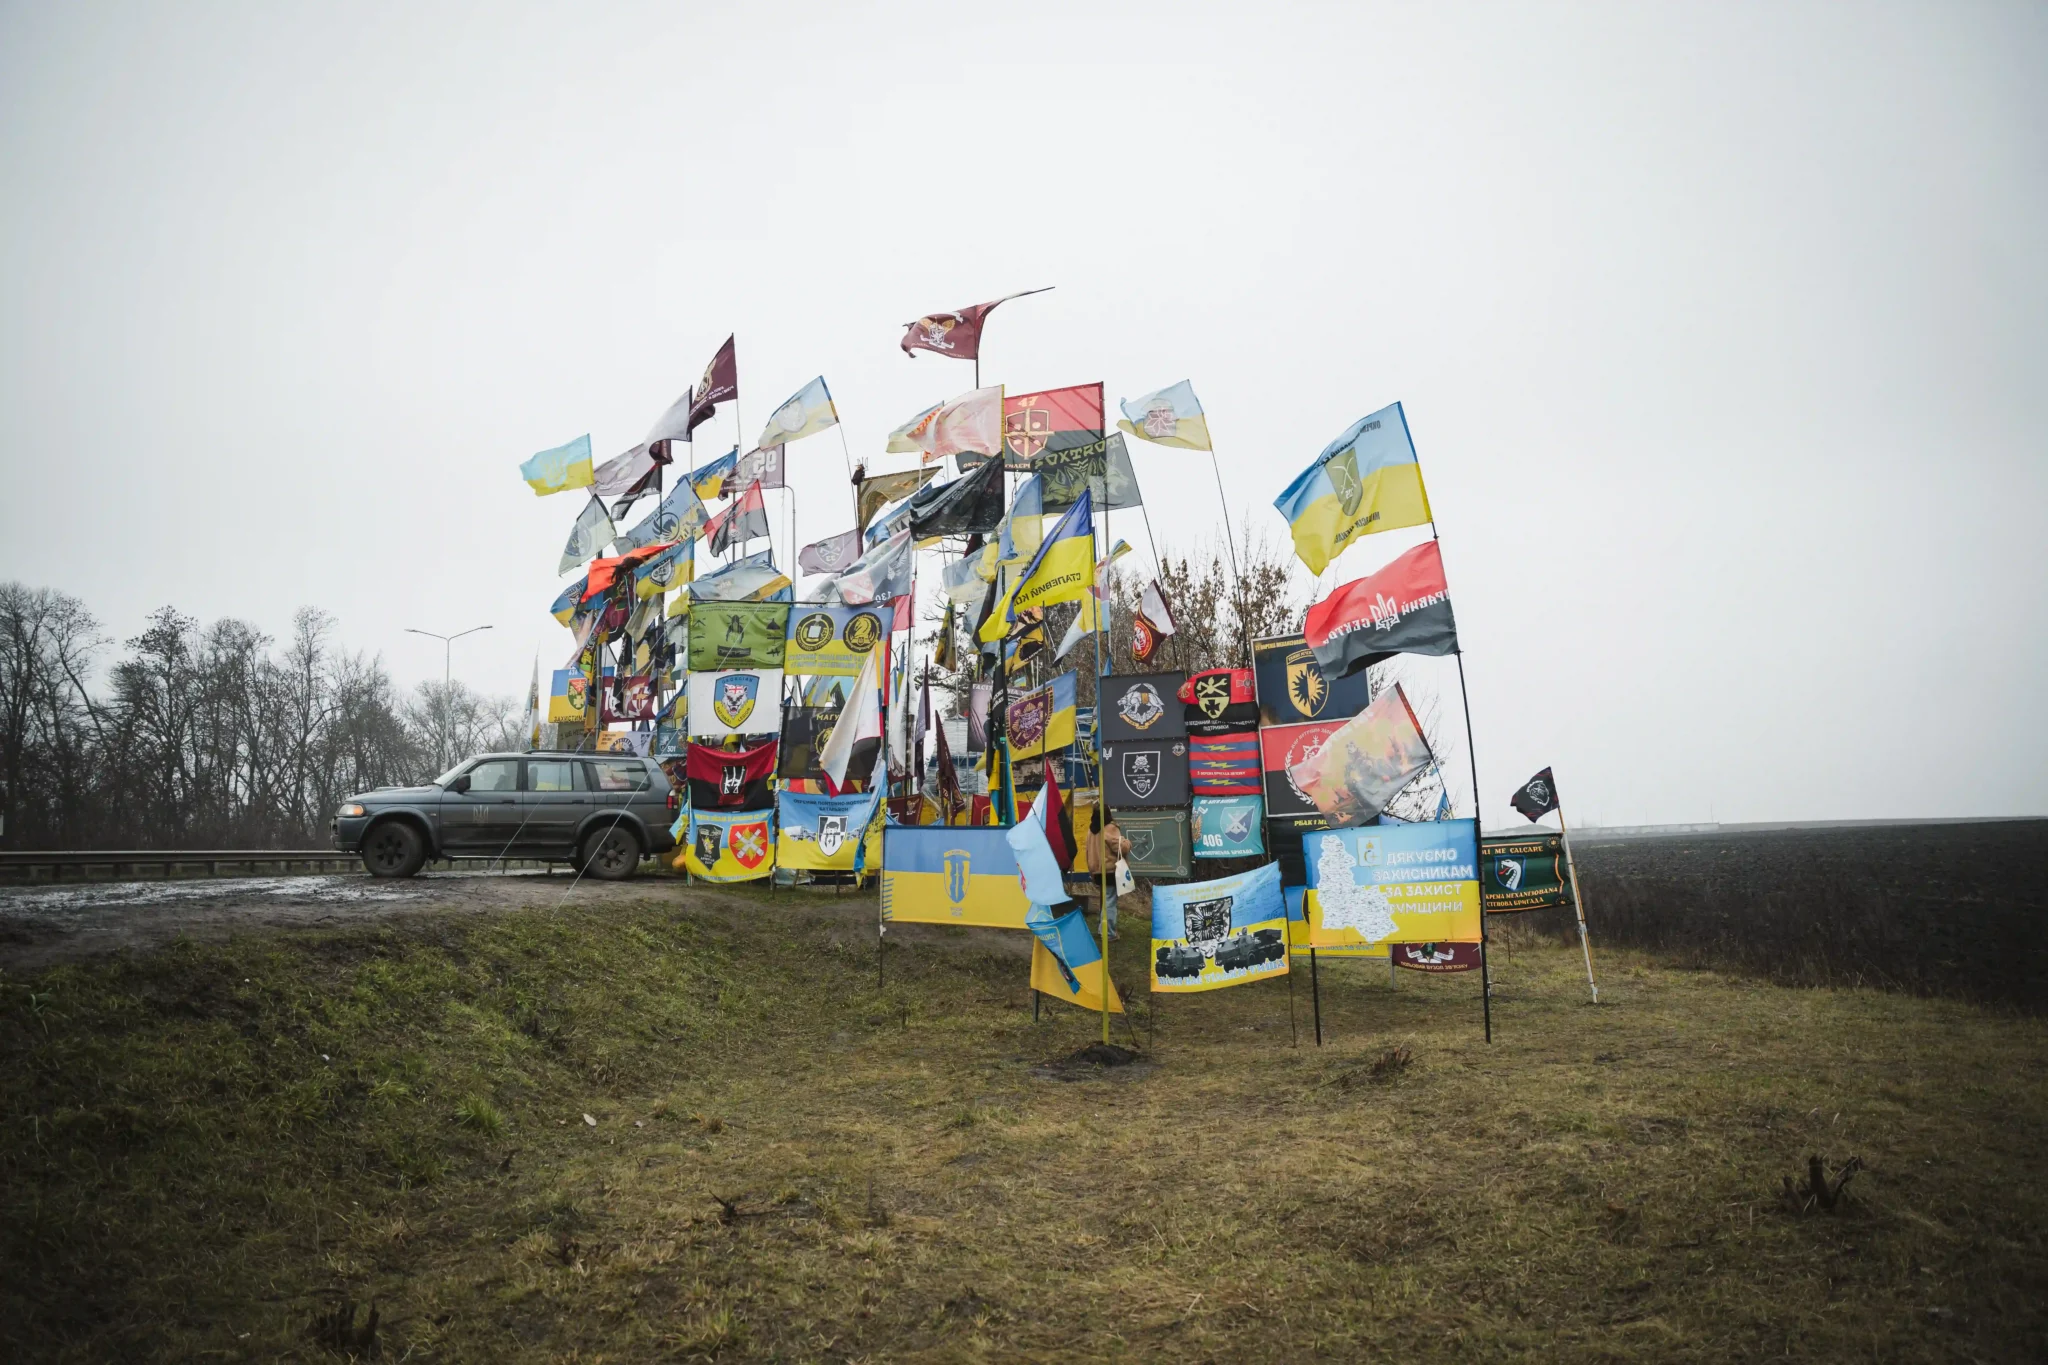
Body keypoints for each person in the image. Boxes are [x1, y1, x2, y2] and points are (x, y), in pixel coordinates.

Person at [1086, 806, 1134, 939]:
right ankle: (1109, 933)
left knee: (1105, 900)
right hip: (1110, 871)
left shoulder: (1091, 830)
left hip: (1097, 871)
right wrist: (1127, 842)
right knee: (1110, 902)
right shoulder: (1109, 828)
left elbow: (1088, 852)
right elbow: (1121, 848)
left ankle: (1103, 929)